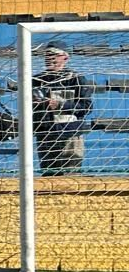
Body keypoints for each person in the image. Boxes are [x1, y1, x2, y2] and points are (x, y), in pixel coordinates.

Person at [32, 42, 93, 176]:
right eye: (47, 55)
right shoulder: (36, 80)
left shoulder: (76, 79)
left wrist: (60, 105)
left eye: (54, 55)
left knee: (70, 176)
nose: (49, 58)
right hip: (46, 134)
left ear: (65, 58)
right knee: (48, 177)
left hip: (70, 134)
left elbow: (86, 107)